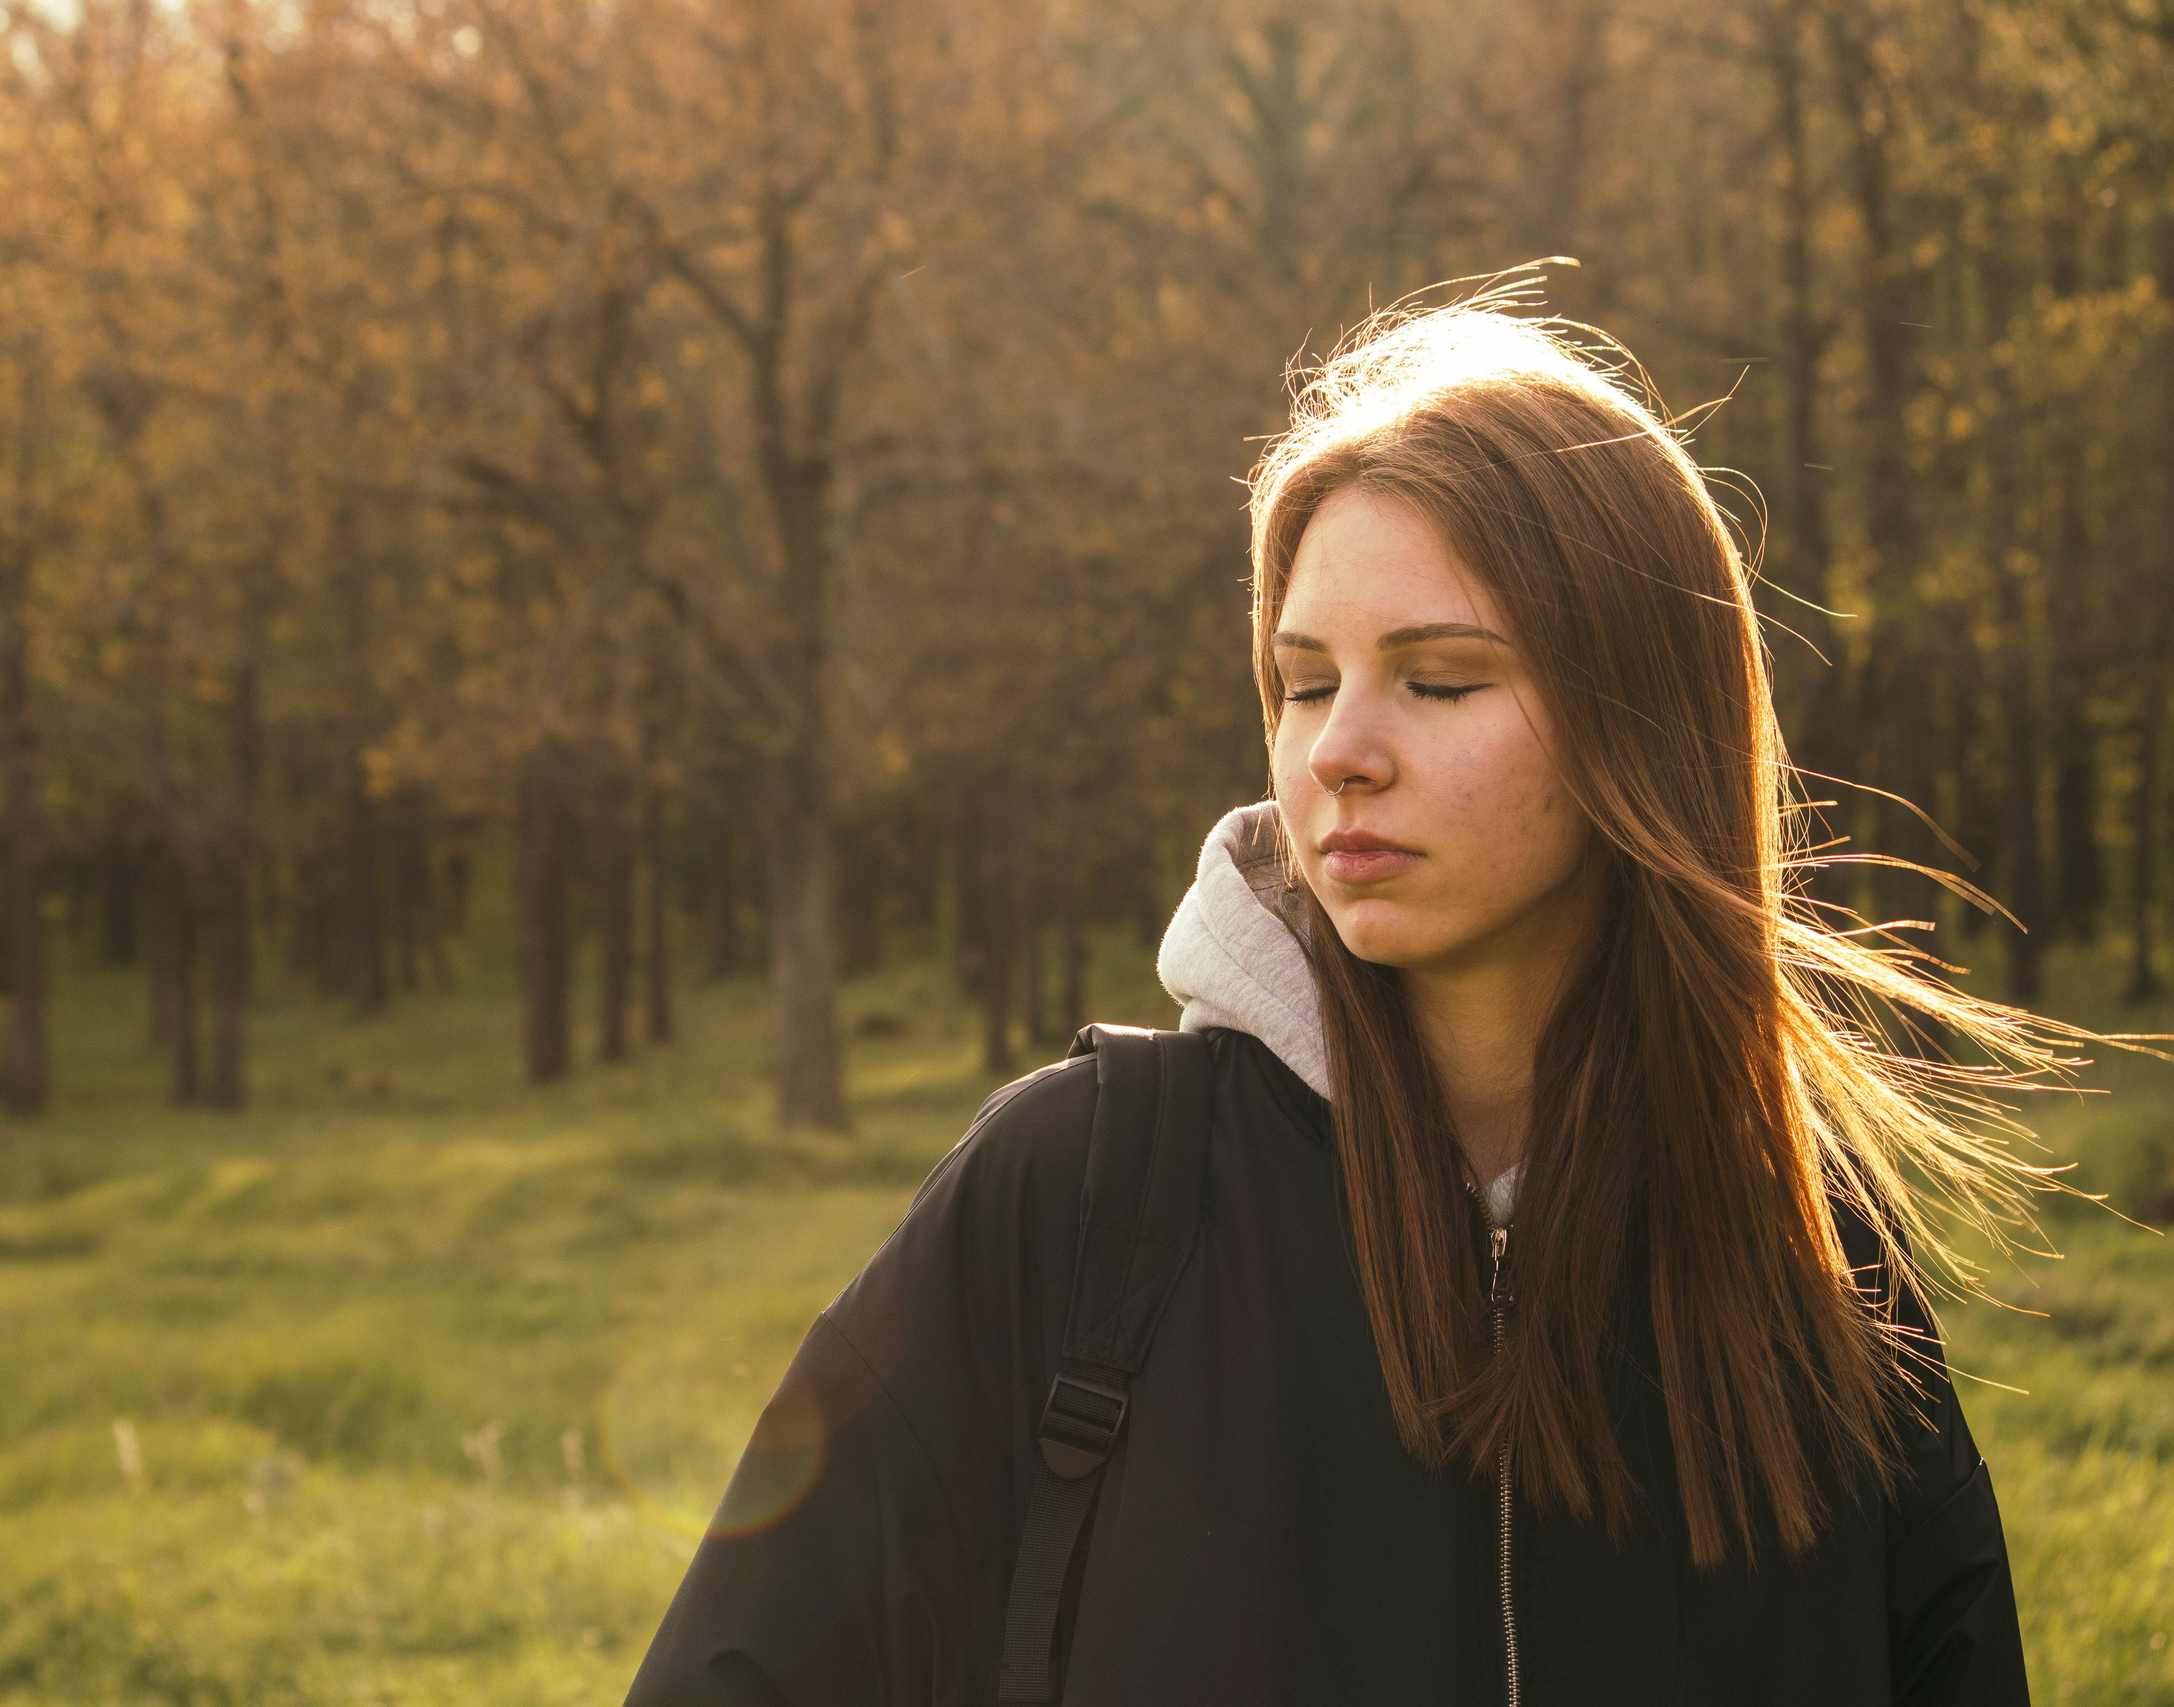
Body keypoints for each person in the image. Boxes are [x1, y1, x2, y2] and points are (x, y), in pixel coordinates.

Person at [624, 282, 2091, 1705]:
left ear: (1644, 721)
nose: (1337, 753)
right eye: (1306, 681)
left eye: (1438, 681)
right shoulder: (1076, 1197)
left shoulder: (1810, 1254)